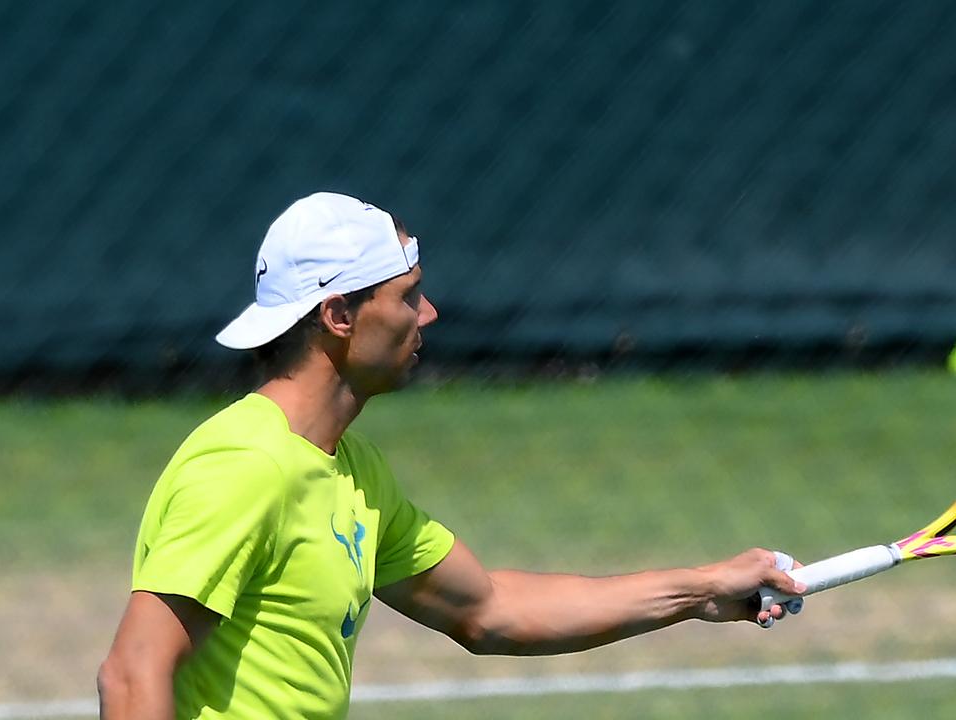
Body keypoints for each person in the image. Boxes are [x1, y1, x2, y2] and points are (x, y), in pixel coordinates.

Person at [97, 192, 806, 719]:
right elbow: (132, 675)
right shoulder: (243, 465)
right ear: (339, 316)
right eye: (408, 297)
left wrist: (700, 589)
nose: (428, 314)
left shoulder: (353, 470)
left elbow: (491, 609)